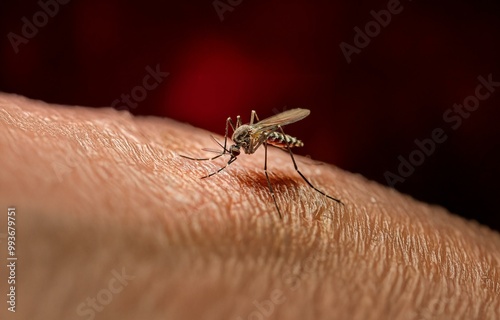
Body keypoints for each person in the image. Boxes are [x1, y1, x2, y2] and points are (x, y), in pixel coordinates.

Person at [1, 92, 499, 320]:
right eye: (234, 146)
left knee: (271, 162)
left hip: (283, 145)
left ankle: (305, 184)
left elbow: (258, 144)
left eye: (233, 147)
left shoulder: (256, 139)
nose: (235, 148)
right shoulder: (237, 135)